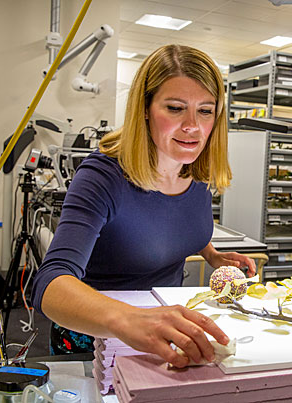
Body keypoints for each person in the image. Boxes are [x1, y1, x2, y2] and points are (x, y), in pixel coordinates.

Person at [31, 44, 256, 368]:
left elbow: (172, 221)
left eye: (205, 110)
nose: (193, 125)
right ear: (146, 108)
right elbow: (50, 283)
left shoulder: (196, 171)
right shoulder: (104, 176)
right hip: (96, 342)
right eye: (176, 108)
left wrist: (211, 253)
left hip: (165, 334)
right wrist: (130, 320)